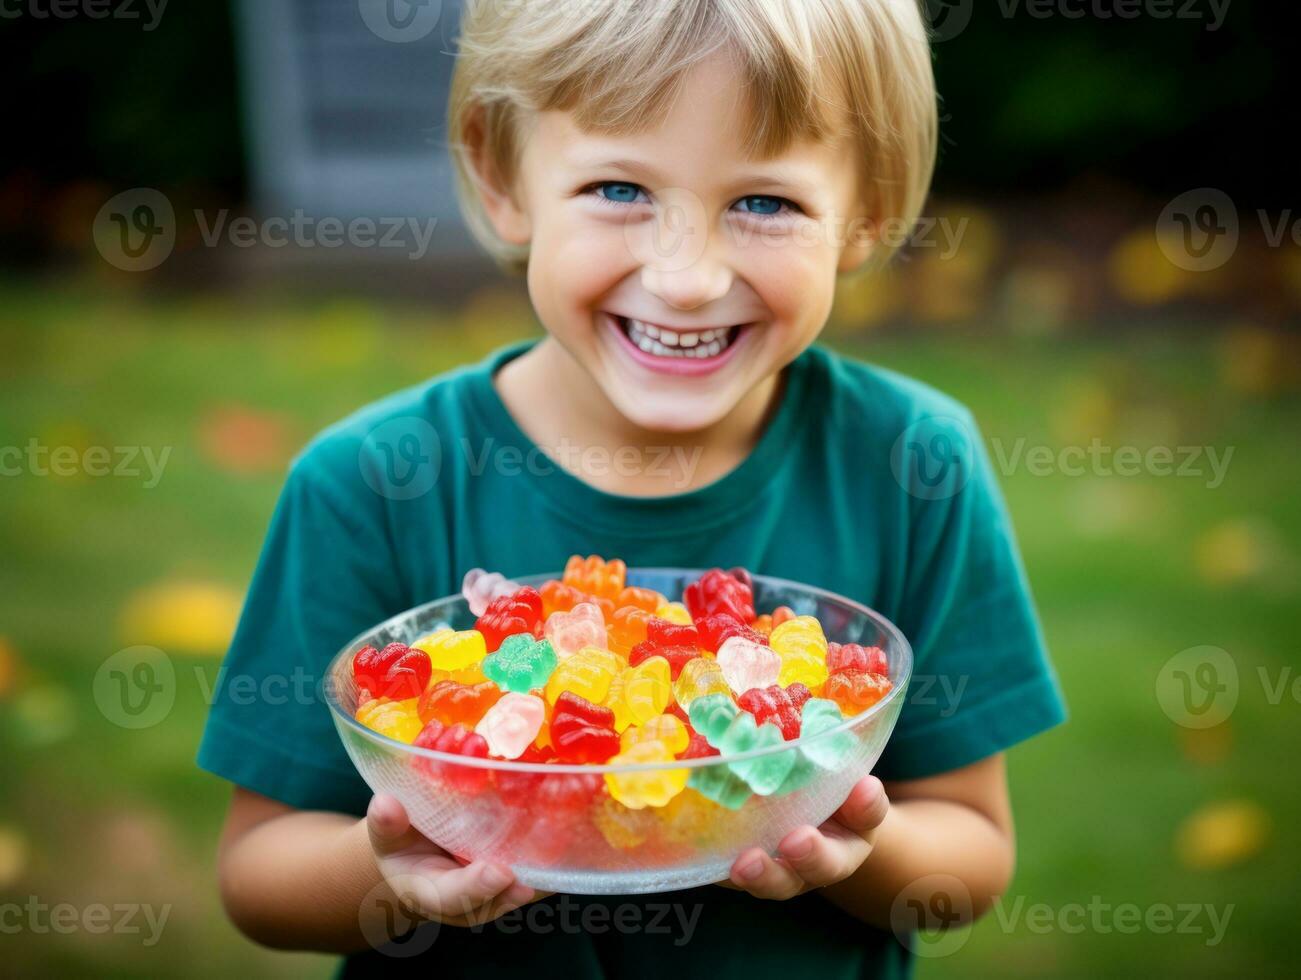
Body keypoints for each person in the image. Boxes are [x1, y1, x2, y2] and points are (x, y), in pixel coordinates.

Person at [199, 1, 1066, 976]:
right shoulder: (368, 483)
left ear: (864, 213)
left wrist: (844, 837)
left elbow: (968, 851)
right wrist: (389, 870)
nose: (686, 277)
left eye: (763, 202)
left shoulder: (914, 463)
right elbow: (258, 873)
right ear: (500, 177)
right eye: (618, 187)